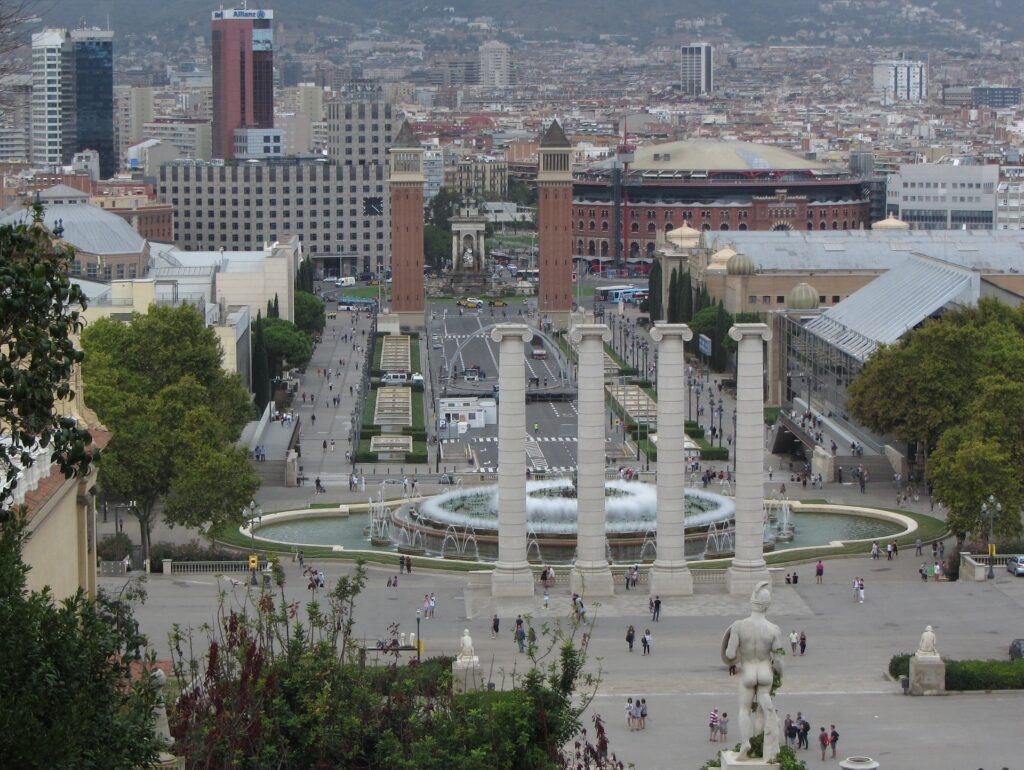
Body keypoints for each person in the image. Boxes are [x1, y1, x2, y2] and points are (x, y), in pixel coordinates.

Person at [721, 581, 786, 761]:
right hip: (765, 672)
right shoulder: (774, 629)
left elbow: (730, 654)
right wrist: (781, 674)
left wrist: (732, 651)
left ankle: (746, 742)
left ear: (752, 602)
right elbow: (779, 658)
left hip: (748, 671)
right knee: (761, 711)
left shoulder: (739, 626)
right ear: (767, 605)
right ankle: (760, 742)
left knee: (744, 709)